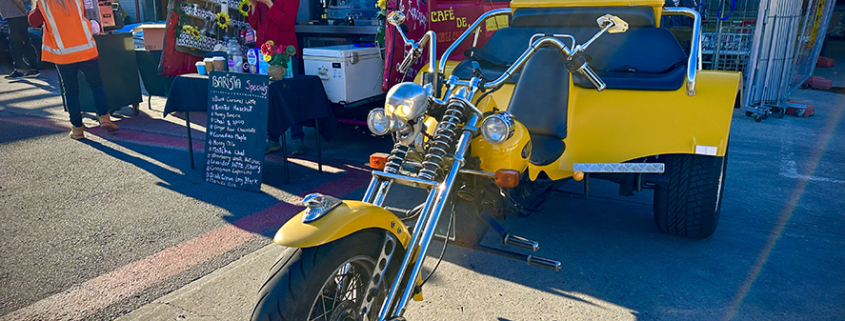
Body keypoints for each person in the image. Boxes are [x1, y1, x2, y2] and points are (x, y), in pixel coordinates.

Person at [29, 0, 118, 139]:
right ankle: (104, 117)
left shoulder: (44, 3)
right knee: (96, 85)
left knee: (70, 91)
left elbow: (33, 21)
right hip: (85, 49)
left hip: (63, 53)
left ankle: (77, 128)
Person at [247, 0, 307, 155]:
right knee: (268, 96)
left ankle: (297, 138)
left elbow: (287, 23)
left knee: (291, 96)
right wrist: (253, 6)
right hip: (264, 53)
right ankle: (273, 139)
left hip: (285, 53)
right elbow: (254, 25)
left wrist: (268, 3)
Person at [1, 0, 40, 79]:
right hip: (14, 18)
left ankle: (19, 70)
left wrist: (24, 11)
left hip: (16, 18)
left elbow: (18, 1)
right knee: (24, 42)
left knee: (16, 44)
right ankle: (33, 69)